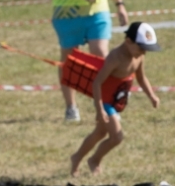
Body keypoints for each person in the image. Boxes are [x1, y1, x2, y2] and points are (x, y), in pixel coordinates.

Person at [68, 21, 163, 176]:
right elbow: (97, 82)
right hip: (105, 101)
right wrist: (99, 109)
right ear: (128, 42)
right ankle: (94, 160)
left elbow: (141, 77)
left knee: (99, 133)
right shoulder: (115, 57)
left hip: (115, 100)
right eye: (141, 48)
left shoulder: (138, 56)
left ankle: (76, 157)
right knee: (117, 137)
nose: (143, 53)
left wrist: (151, 95)